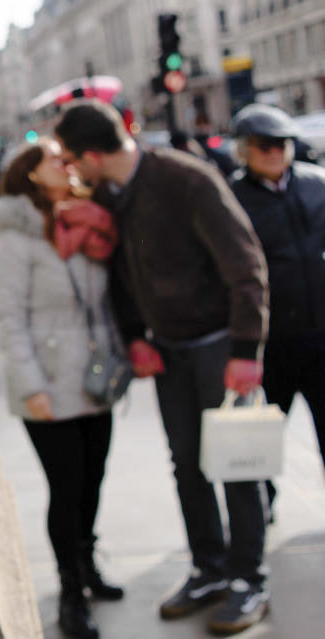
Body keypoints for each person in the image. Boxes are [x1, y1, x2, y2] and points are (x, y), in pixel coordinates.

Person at [55, 100, 271, 636]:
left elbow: (246, 266)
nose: (70, 168)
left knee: (235, 464)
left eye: (70, 158)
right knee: (187, 464)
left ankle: (248, 579)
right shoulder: (108, 194)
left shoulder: (185, 178)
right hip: (167, 349)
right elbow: (123, 276)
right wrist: (135, 338)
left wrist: (246, 350)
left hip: (220, 344)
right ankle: (209, 570)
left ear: (92, 154)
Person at [0, 139, 125, 639]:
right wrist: (31, 385)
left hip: (93, 379)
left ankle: (87, 564)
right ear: (32, 174)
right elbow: (8, 320)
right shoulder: (13, 237)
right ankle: (69, 592)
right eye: (55, 159)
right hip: (47, 383)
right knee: (67, 487)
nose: (67, 163)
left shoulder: (84, 222)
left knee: (94, 479)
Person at [229, 104, 325, 500]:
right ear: (245, 150)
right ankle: (261, 503)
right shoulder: (232, 198)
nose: (274, 152)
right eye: (264, 144)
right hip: (270, 342)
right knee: (261, 436)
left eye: (282, 143)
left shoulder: (316, 183)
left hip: (320, 335)